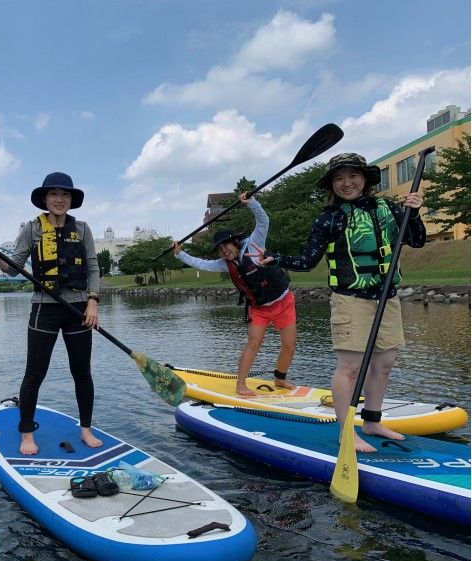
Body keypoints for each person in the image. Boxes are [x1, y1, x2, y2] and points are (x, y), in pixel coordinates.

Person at [247, 153, 426, 452]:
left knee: (384, 364)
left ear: (365, 179)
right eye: (339, 178)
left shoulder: (390, 208)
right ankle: (346, 432)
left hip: (387, 298)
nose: (347, 183)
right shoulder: (329, 217)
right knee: (351, 367)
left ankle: (371, 420)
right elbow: (307, 260)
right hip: (350, 300)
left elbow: (417, 240)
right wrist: (275, 258)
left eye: (353, 176)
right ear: (332, 184)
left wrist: (415, 213)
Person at [0, 172, 102, 456]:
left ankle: (85, 429)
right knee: (35, 373)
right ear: (45, 199)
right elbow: (14, 267)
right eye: (54, 194)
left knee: (82, 372)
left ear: (71, 200)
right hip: (44, 309)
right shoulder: (32, 229)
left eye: (65, 195)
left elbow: (94, 268)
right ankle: (26, 432)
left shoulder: (83, 229)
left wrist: (93, 302)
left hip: (78, 310)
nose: (59, 200)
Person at [174, 193, 297, 397]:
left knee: (290, 345)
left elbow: (263, 221)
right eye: (220, 249)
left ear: (236, 242)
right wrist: (181, 254)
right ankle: (241, 385)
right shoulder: (224, 263)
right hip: (259, 309)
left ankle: (280, 379)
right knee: (254, 343)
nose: (224, 251)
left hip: (283, 301)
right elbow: (201, 263)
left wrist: (253, 204)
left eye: (226, 246)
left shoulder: (254, 243)